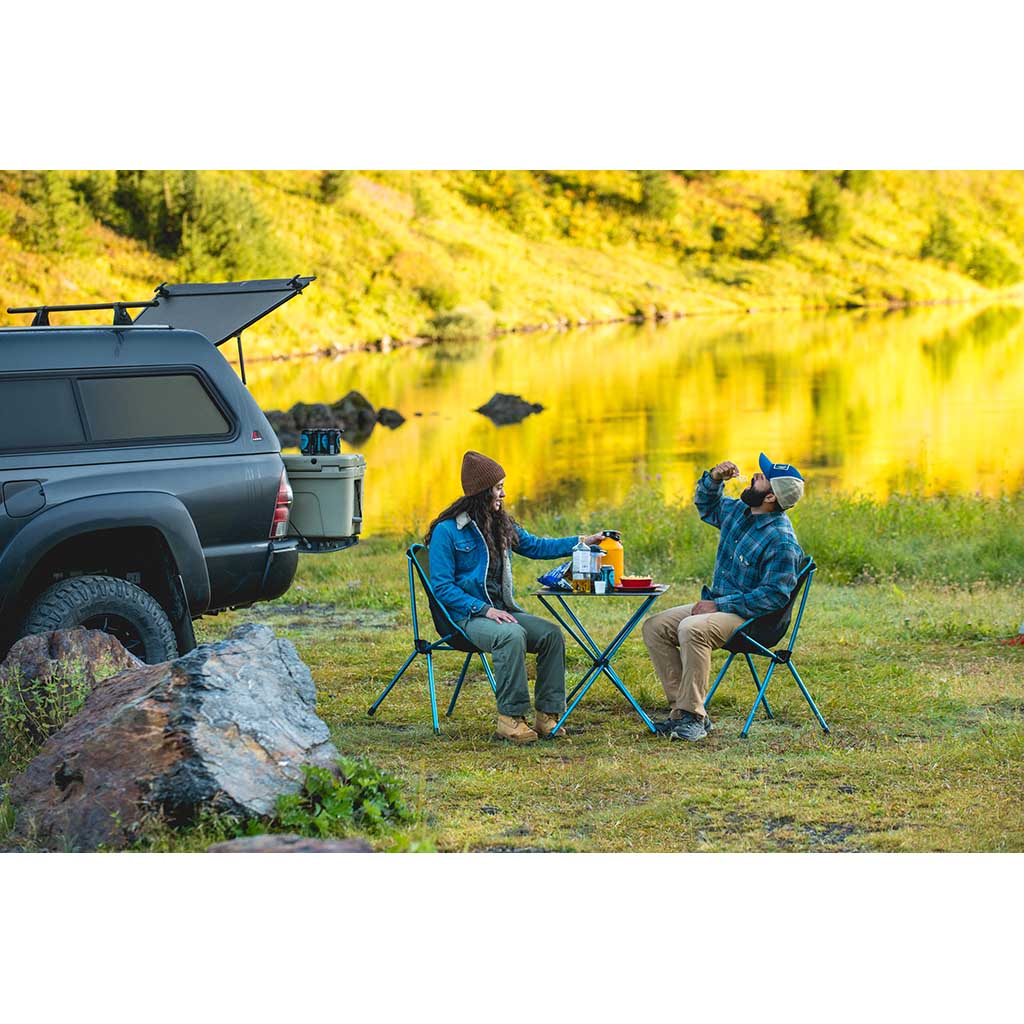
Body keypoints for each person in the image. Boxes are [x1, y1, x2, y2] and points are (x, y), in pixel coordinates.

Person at [427, 451, 607, 744]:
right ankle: (510, 720)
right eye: (498, 488)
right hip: (466, 617)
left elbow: (537, 546)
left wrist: (582, 542)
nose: (503, 493)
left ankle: (548, 716)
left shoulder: (500, 523)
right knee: (511, 636)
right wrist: (484, 609)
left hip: (502, 611)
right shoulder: (447, 532)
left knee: (550, 635)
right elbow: (443, 588)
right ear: (482, 492)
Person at [641, 453, 806, 741]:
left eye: (763, 477)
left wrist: (719, 604)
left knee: (692, 628)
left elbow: (774, 597)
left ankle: (693, 718)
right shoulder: (741, 513)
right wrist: (714, 479)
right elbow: (707, 506)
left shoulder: (782, 541)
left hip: (754, 620)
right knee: (655, 627)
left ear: (770, 497)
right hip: (721, 608)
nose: (756, 475)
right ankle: (682, 711)